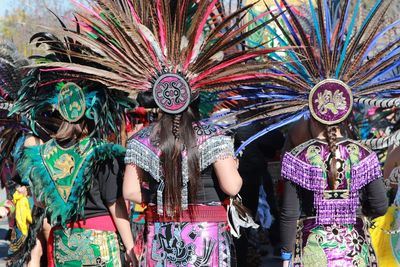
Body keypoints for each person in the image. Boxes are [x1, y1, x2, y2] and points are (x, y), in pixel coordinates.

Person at [12, 27, 137, 266]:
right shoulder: (102, 152)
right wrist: (130, 246)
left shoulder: (42, 155)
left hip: (63, 245)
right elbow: (114, 203)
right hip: (100, 244)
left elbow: (39, 202)